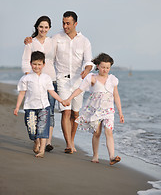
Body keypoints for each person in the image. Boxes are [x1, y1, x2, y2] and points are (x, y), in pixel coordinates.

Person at [62, 53, 124, 165]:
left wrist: (120, 112)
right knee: (97, 133)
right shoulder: (91, 78)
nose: (105, 70)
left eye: (107, 67)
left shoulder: (112, 79)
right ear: (98, 66)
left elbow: (116, 96)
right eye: (103, 67)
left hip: (109, 111)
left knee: (109, 131)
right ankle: (95, 155)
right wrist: (69, 98)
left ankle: (112, 156)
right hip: (94, 110)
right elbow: (80, 89)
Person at [52, 11, 93, 154]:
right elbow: (45, 49)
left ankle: (72, 140)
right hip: (62, 79)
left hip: (78, 81)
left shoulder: (84, 41)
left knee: (76, 114)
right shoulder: (56, 38)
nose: (65, 26)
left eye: (68, 23)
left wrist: (87, 70)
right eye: (63, 23)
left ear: (75, 24)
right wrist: (30, 40)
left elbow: (89, 62)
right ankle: (68, 144)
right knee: (66, 112)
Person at [14, 51, 64, 158]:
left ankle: (42, 151)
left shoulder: (46, 78)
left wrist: (61, 100)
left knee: (42, 129)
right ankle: (36, 142)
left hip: (44, 107)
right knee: (32, 130)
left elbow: (52, 92)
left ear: (44, 65)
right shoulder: (26, 78)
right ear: (31, 64)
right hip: (30, 108)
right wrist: (17, 107)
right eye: (34, 64)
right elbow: (22, 93)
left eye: (39, 64)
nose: (37, 67)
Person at [22, 16, 56, 152]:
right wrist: (28, 76)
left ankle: (47, 142)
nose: (43, 29)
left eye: (46, 27)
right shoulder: (31, 42)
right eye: (41, 26)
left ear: (49, 28)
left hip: (51, 79)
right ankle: (36, 141)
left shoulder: (53, 41)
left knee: (50, 112)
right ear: (37, 27)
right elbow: (25, 61)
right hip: (34, 82)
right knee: (35, 111)